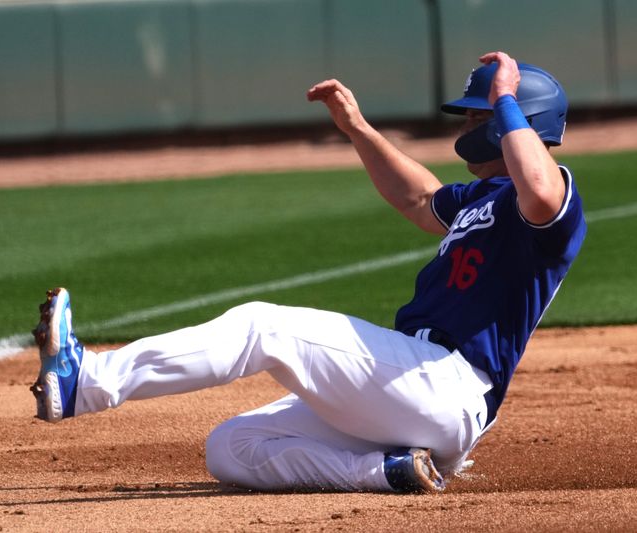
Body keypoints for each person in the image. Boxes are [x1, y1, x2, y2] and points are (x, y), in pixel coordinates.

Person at [29, 51, 586, 493]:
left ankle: (88, 384)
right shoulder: (480, 198)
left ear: (519, 121)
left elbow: (537, 188)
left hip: (447, 382)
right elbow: (420, 199)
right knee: (232, 446)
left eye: (478, 113)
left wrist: (506, 97)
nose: (468, 121)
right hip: (411, 396)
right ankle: (387, 472)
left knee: (263, 327)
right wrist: (358, 129)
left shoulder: (551, 197)